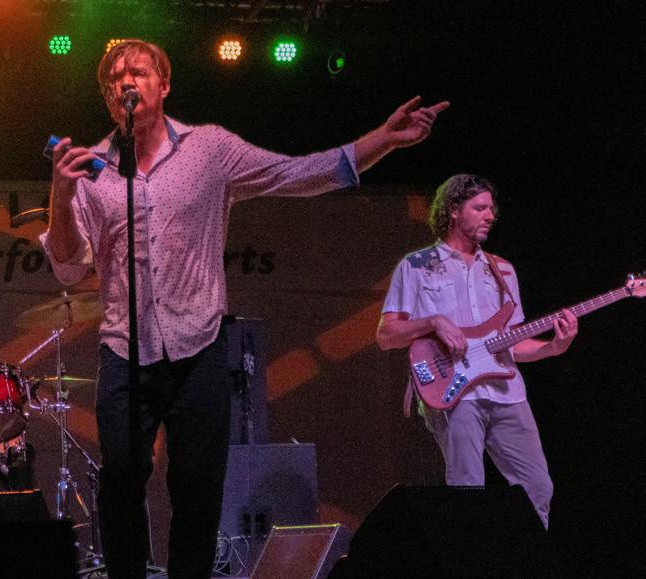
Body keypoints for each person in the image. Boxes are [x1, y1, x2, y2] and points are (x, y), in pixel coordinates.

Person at [41, 39, 449, 579]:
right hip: (125, 348)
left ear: (164, 85)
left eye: (137, 71)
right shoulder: (94, 171)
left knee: (197, 485)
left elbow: (294, 173)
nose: (126, 82)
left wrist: (382, 140)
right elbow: (69, 268)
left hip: (199, 345)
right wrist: (60, 193)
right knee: (120, 480)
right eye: (115, 78)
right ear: (108, 98)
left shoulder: (208, 149)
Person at [376, 174, 578, 528]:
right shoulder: (416, 266)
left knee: (537, 487)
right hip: (454, 392)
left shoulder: (503, 271)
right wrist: (433, 322)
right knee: (468, 490)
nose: (490, 216)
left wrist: (553, 347)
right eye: (480, 208)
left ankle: (524, 555)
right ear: (454, 210)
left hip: (507, 393)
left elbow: (513, 343)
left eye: (491, 209)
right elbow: (386, 335)